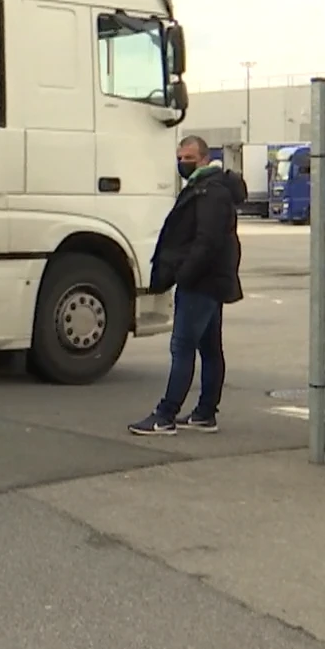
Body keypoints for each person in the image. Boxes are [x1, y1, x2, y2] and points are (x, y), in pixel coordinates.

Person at [129, 134, 246, 436]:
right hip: (210, 280)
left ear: (205, 158)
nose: (183, 163)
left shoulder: (209, 192)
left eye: (189, 158)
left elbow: (206, 240)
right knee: (209, 348)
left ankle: (166, 414)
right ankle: (205, 413)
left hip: (201, 282)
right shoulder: (209, 188)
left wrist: (184, 273)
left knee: (182, 348)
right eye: (180, 157)